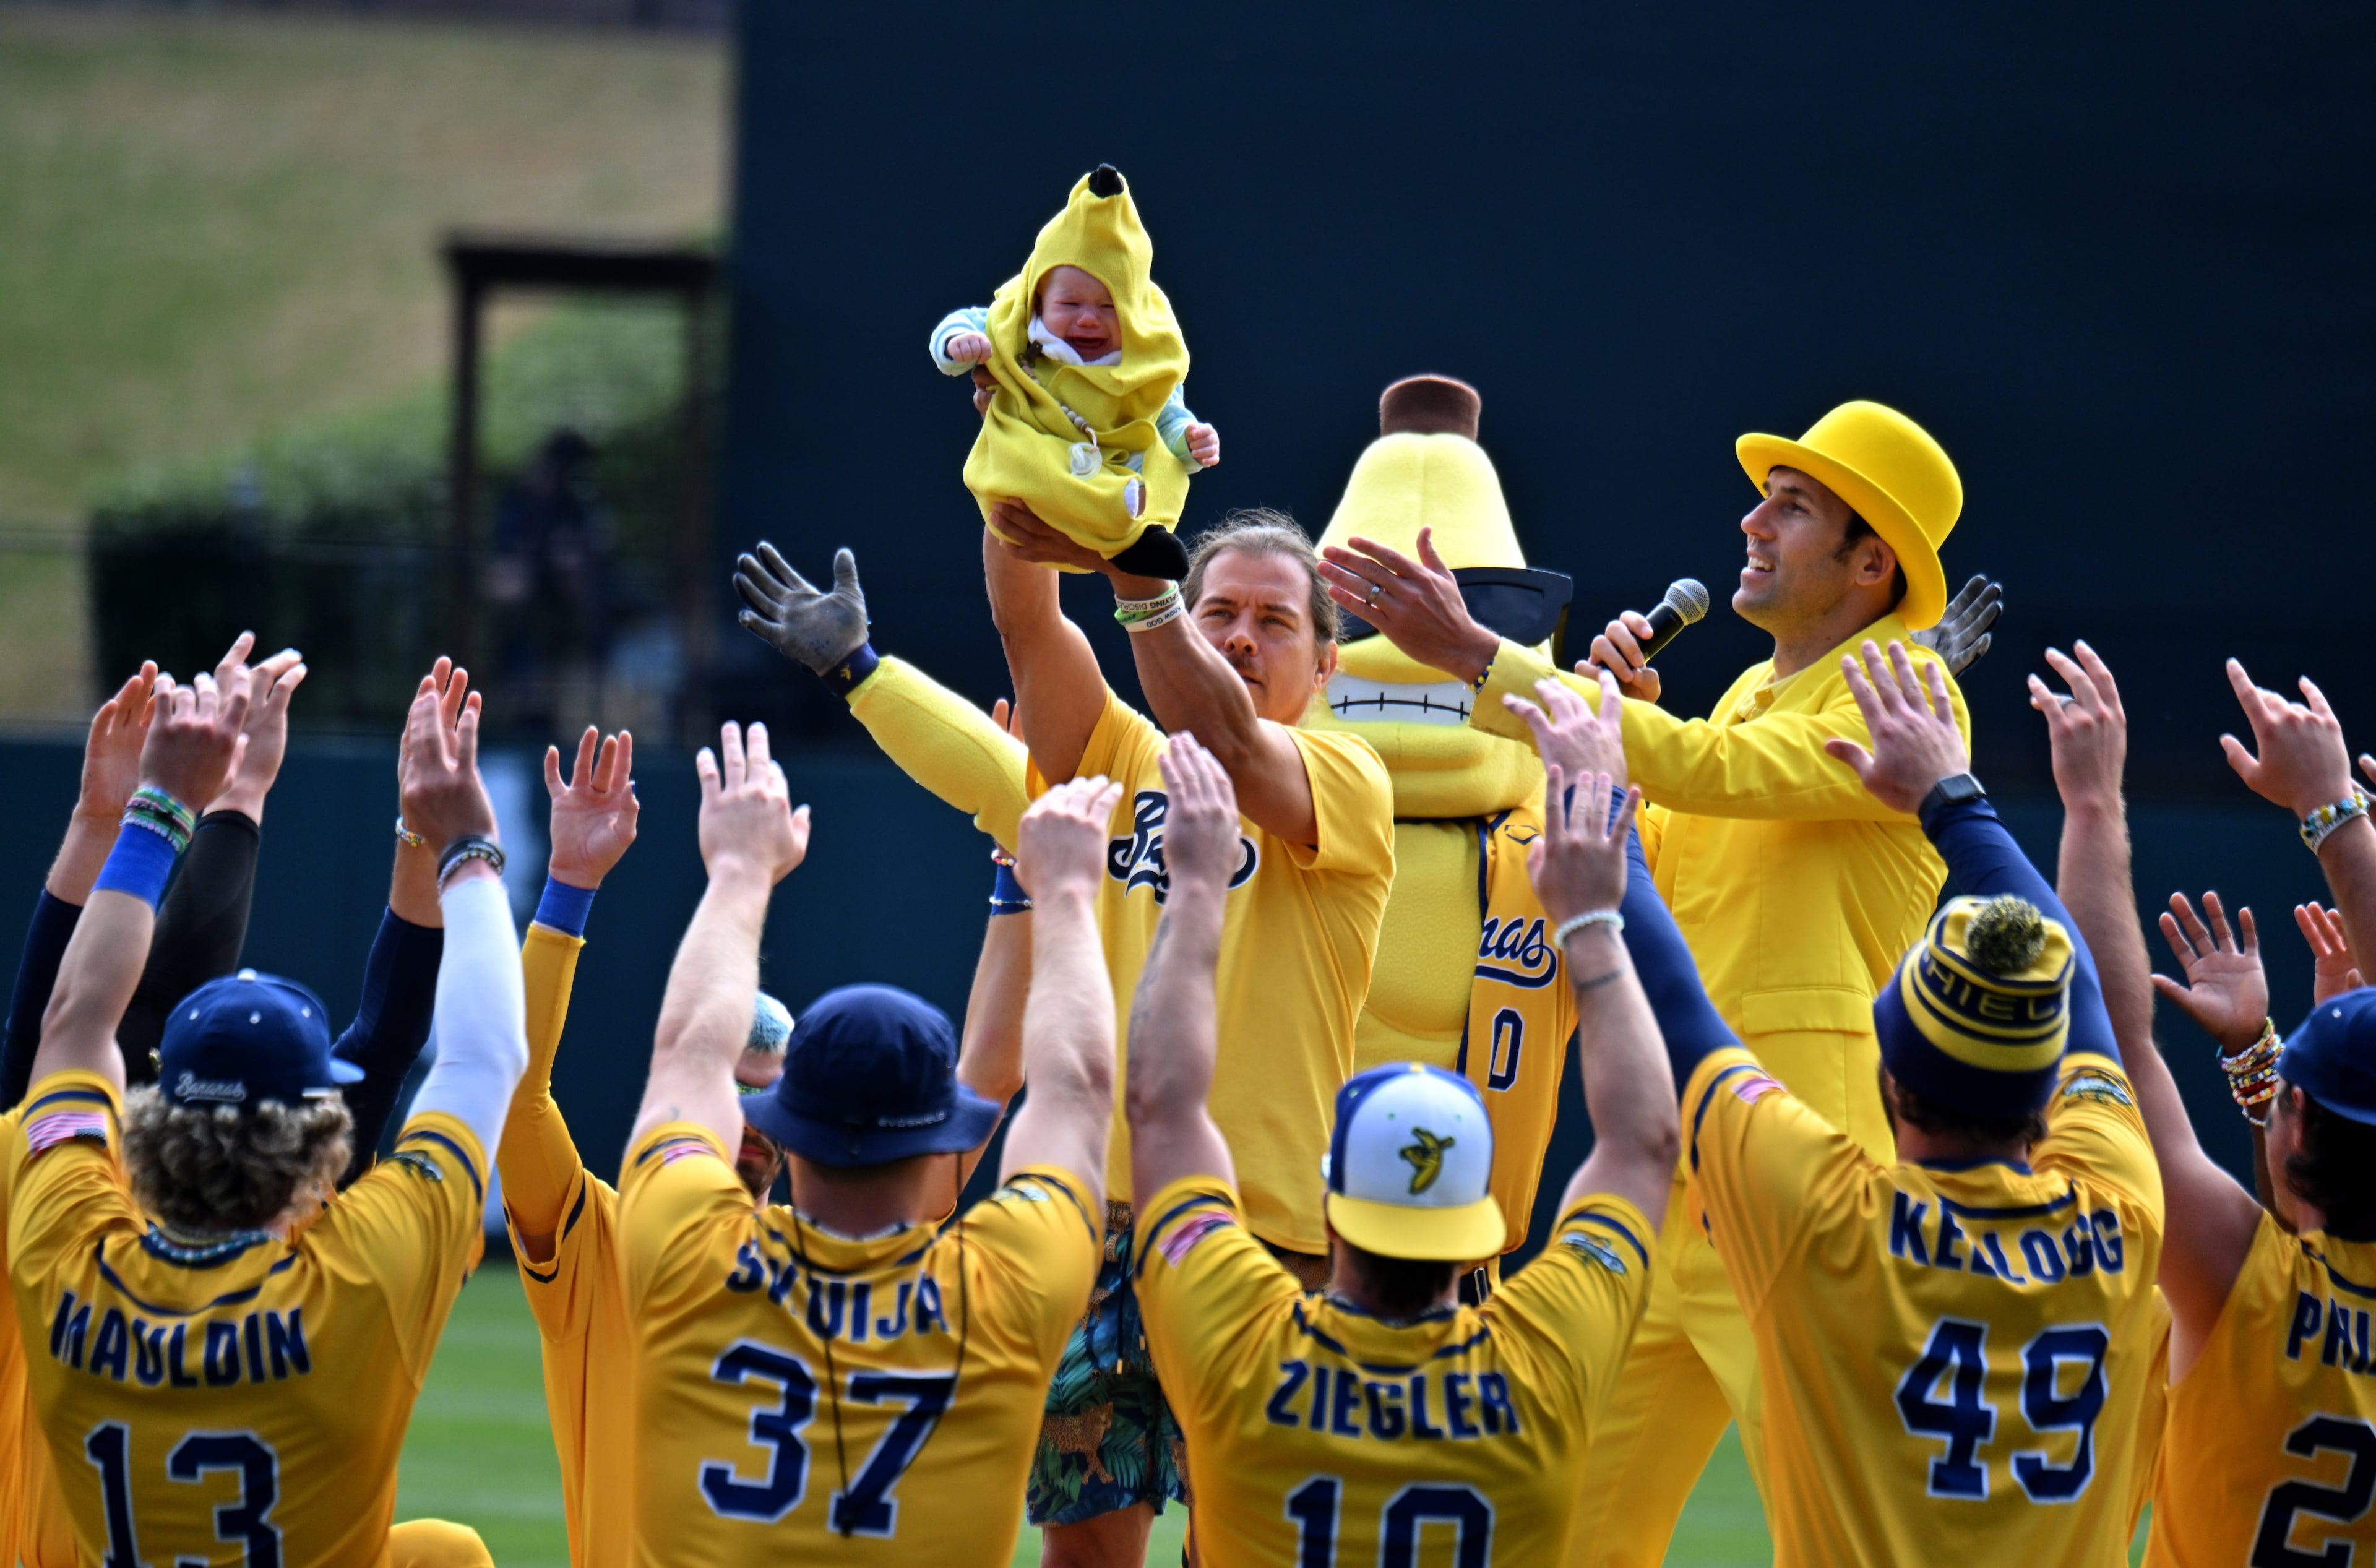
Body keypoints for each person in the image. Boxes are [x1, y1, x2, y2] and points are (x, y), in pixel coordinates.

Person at [1322, 397, 1978, 1559]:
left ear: (1871, 563)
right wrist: (1606, 738)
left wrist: (1497, 662)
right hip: (1683, 1167)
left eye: (1793, 506)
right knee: (1561, 1510)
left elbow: (1721, 773)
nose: (1753, 518)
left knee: (1847, 1524)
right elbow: (1654, 869)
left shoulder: (1905, 694)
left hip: (1801, 1165)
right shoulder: (1748, 695)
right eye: (1766, 497)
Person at [735, 513, 1395, 1565]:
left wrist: (1149, 593)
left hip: (1263, 1231)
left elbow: (1229, 740)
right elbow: (1028, 625)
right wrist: (1025, 459)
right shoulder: (1121, 757)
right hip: (1097, 1225)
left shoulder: (1350, 779)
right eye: (1219, 608)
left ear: (1327, 661)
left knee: (1250, 1549)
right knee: (1083, 1548)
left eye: (1275, 621)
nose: (1240, 638)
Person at [1600, 637, 2163, 1565]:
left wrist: (1599, 804)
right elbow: (2089, 990)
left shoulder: (1826, 1219)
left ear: (1888, 1079)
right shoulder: (2123, 1202)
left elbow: (1679, 1017)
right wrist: (1969, 797)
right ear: (2051, 1095)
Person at [6, 660, 525, 1567]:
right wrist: (462, 839)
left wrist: (158, 806)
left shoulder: (69, 1243)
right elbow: (473, 1052)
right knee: (447, 1554)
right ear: (322, 1142)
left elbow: (72, 1020)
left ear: (151, 1117)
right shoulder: (354, 1279)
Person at [1126, 728, 1676, 1561]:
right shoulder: (1543, 1360)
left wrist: (1199, 886)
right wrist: (1594, 919)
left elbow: (1161, 1108)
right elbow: (1644, 1142)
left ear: (1332, 1215)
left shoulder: (1242, 1343)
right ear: (1473, 1234)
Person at [497, 723, 1035, 1567]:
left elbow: (990, 1081)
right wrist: (1027, 887)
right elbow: (517, 1097)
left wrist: (1019, 880)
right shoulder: (600, 1241)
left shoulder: (663, 1232)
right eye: (734, 1085)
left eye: (764, 1089)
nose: (746, 1116)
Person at [616, 722, 1112, 1564]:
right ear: (938, 1152)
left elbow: (688, 1052)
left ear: (781, 1131)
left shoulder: (682, 1247)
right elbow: (1076, 1089)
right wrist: (1064, 892)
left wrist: (739, 873)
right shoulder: (1006, 1288)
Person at [2037, 644, 2376, 1564]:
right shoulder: (2247, 1269)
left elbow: (2109, 1032)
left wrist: (2093, 801)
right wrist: (2339, 820)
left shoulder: (2240, 1280)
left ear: (2295, 1123)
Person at [940, 164, 1216, 580]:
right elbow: (964, 323)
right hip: (1027, 486)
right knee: (1022, 454)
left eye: (1110, 309)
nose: (1089, 320)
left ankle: (1129, 534)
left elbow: (1169, 415)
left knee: (1160, 468)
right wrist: (957, 344)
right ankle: (1120, 528)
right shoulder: (1016, 328)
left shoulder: (1146, 362)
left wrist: (1190, 441)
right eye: (1070, 306)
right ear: (1036, 301)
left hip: (1112, 475)